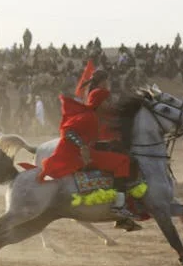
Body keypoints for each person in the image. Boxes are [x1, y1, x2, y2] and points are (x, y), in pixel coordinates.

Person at [39, 70, 134, 218]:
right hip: (83, 155)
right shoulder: (89, 117)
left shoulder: (97, 116)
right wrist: (82, 146)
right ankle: (119, 205)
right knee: (123, 161)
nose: (110, 104)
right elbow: (67, 131)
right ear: (99, 103)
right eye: (107, 102)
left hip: (90, 151)